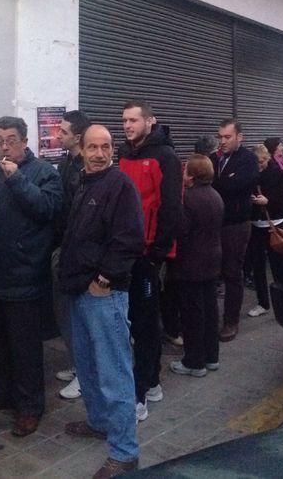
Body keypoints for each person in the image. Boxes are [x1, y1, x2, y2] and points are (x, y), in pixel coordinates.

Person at [60, 125, 144, 478]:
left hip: (104, 293)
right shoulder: (83, 181)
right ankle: (99, 422)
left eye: (105, 146)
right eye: (92, 147)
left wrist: (103, 280)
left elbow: (130, 238)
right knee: (88, 365)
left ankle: (124, 452)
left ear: (113, 150)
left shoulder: (120, 185)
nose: (99, 153)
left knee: (114, 374)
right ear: (80, 148)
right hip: (80, 290)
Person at [0, 115, 61, 437]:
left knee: (25, 348)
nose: (4, 146)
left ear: (25, 141)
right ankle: (2, 394)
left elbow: (47, 210)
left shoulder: (45, 173)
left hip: (26, 275)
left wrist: (16, 179)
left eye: (11, 140)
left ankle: (30, 407)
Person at [117, 101, 181, 421]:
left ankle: (141, 390)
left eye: (133, 120)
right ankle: (151, 380)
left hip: (147, 256)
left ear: (150, 121)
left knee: (144, 322)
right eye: (125, 120)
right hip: (124, 253)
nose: (128, 125)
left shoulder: (165, 157)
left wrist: (157, 253)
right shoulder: (124, 154)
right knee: (132, 321)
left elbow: (172, 207)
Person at [169, 155, 223, 378]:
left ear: (191, 175)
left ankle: (194, 362)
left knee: (192, 313)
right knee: (210, 310)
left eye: (185, 171)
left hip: (191, 263)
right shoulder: (215, 196)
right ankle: (211, 357)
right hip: (212, 260)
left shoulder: (188, 199)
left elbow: (181, 231)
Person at [54, 110, 91, 400]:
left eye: (64, 132)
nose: (58, 135)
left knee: (77, 315)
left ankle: (85, 373)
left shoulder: (84, 168)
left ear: (78, 136)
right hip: (63, 246)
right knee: (65, 313)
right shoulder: (66, 161)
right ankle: (77, 364)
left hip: (77, 251)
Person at [212, 119, 259, 342]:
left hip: (236, 225)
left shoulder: (248, 159)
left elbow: (236, 186)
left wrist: (219, 182)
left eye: (227, 137)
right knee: (212, 273)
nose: (222, 141)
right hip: (213, 224)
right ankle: (210, 319)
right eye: (220, 137)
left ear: (240, 137)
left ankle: (231, 321)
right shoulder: (214, 158)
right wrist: (224, 181)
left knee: (232, 273)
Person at [246, 142, 283, 319]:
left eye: (262, 161)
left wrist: (268, 201)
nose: (259, 165)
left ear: (268, 159)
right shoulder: (251, 175)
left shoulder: (278, 174)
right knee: (258, 266)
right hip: (256, 224)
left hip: (276, 223)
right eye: (257, 162)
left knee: (278, 266)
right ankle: (263, 303)